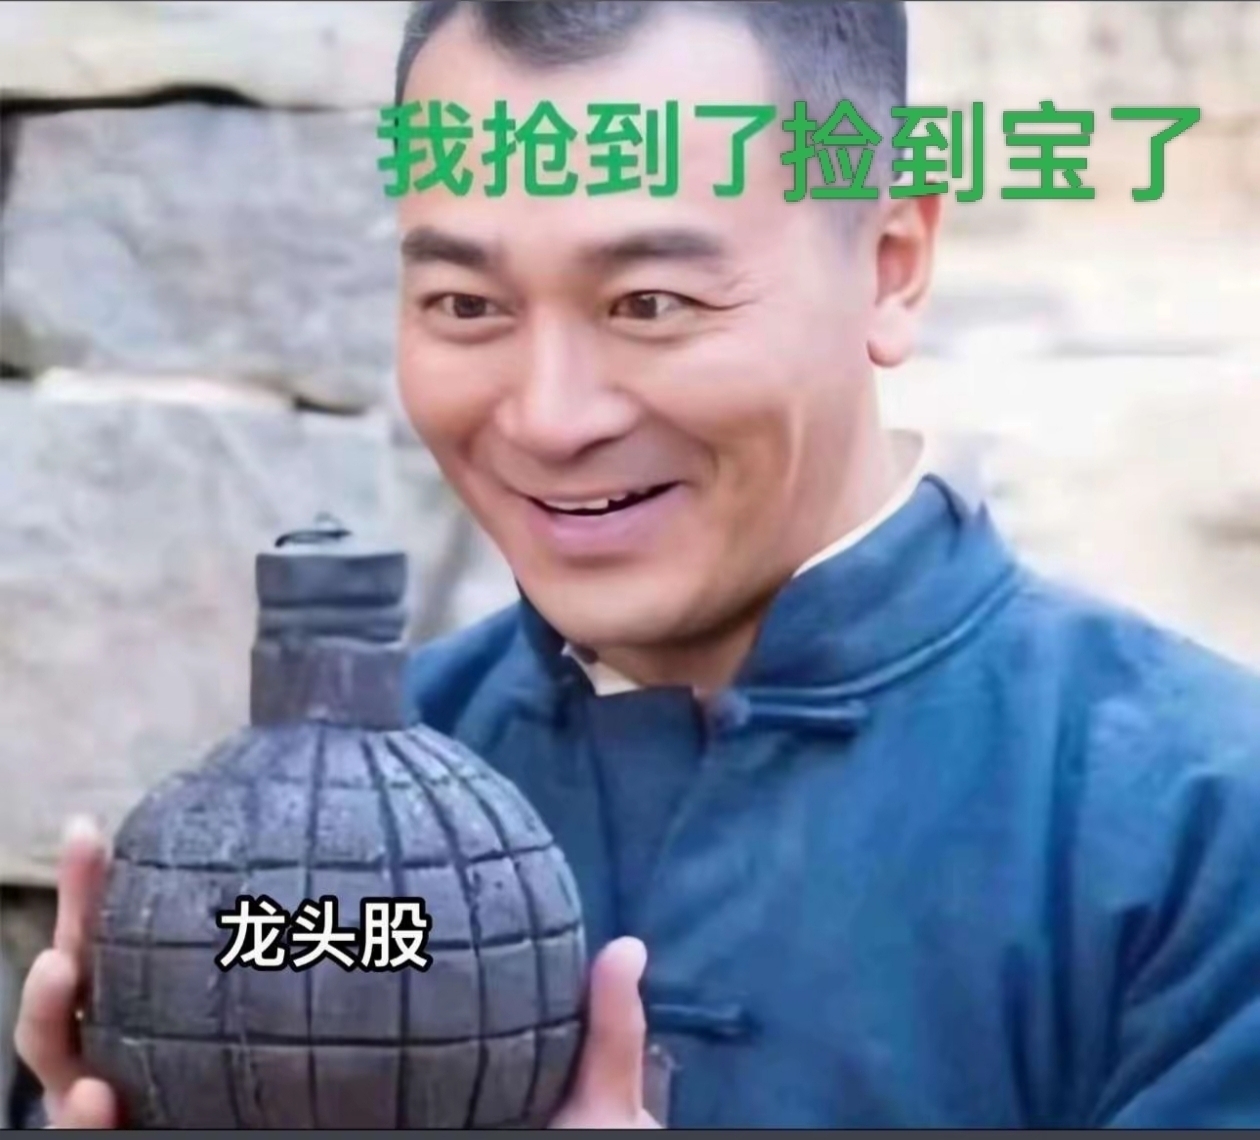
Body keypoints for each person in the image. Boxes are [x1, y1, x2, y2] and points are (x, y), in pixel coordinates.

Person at [15, 0, 1260, 1128]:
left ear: (890, 264)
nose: (549, 417)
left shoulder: (1201, 827)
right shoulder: (314, 841)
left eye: (651, 303)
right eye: (467, 306)